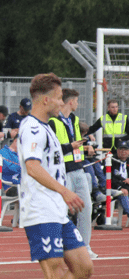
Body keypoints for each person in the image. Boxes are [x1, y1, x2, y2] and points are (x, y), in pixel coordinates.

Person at [19, 73, 102, 279]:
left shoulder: (48, 127)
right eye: (57, 98)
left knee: (83, 267)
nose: (61, 102)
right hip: (40, 210)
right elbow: (32, 166)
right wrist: (65, 191)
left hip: (56, 209)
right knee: (53, 274)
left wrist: (63, 195)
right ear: (45, 99)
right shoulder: (31, 128)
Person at [48, 88, 97, 259]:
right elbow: (53, 150)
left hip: (79, 168)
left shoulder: (74, 120)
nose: (78, 104)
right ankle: (60, 246)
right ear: (70, 102)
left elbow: (75, 144)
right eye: (76, 101)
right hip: (63, 171)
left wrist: (85, 147)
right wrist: (72, 147)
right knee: (61, 210)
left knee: (86, 208)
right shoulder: (53, 122)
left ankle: (85, 247)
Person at [109, 140, 129, 226]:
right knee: (122, 193)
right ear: (117, 151)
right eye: (121, 149)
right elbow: (109, 178)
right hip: (116, 187)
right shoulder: (111, 161)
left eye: (125, 149)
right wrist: (120, 187)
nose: (123, 152)